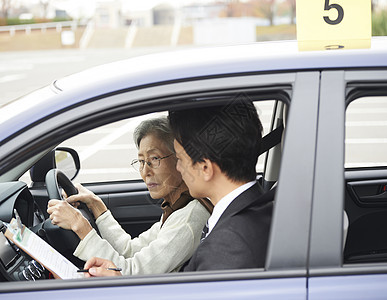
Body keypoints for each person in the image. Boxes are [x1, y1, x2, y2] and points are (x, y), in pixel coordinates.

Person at [47, 117, 212, 276]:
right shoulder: (177, 208)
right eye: (141, 161)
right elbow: (129, 251)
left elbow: (131, 274)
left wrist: (79, 225)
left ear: (181, 159)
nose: (145, 172)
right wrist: (96, 205)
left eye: (154, 159)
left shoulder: (189, 219)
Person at [168, 99, 273, 271]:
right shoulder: (258, 207)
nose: (178, 167)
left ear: (205, 168)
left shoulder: (228, 245)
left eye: (180, 159)